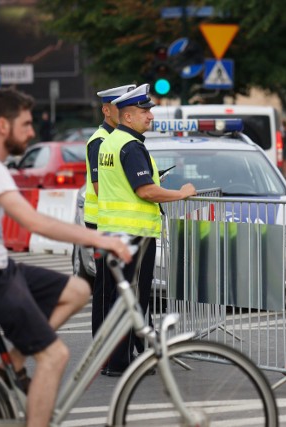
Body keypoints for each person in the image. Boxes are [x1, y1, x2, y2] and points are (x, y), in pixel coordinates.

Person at [0, 88, 131, 427]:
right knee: (55, 356)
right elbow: (34, 222)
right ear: (3, 125)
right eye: (27, 124)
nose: (33, 132)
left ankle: (11, 359)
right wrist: (99, 238)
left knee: (78, 291)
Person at [96, 83, 196, 376]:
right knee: (133, 299)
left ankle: (117, 359)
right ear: (127, 117)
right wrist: (181, 193)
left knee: (121, 299)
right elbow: (146, 191)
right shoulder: (130, 146)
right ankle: (122, 362)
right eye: (144, 111)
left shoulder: (111, 142)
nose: (150, 116)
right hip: (134, 234)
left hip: (116, 232)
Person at [85, 84, 135, 334]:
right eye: (119, 107)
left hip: (111, 222)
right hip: (101, 222)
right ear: (106, 110)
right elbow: (99, 185)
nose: (124, 111)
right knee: (105, 289)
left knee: (113, 289)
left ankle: (112, 348)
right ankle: (102, 349)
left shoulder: (117, 139)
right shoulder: (100, 141)